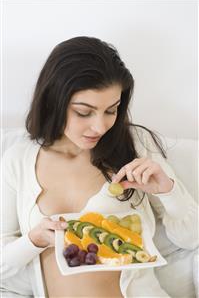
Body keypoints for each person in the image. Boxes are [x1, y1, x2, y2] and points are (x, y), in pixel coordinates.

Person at [1, 36, 198, 298]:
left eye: (112, 110)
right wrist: (34, 241)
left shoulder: (134, 145)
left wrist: (167, 190)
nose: (100, 127)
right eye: (84, 112)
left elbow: (192, 239)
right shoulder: (18, 159)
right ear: (53, 101)